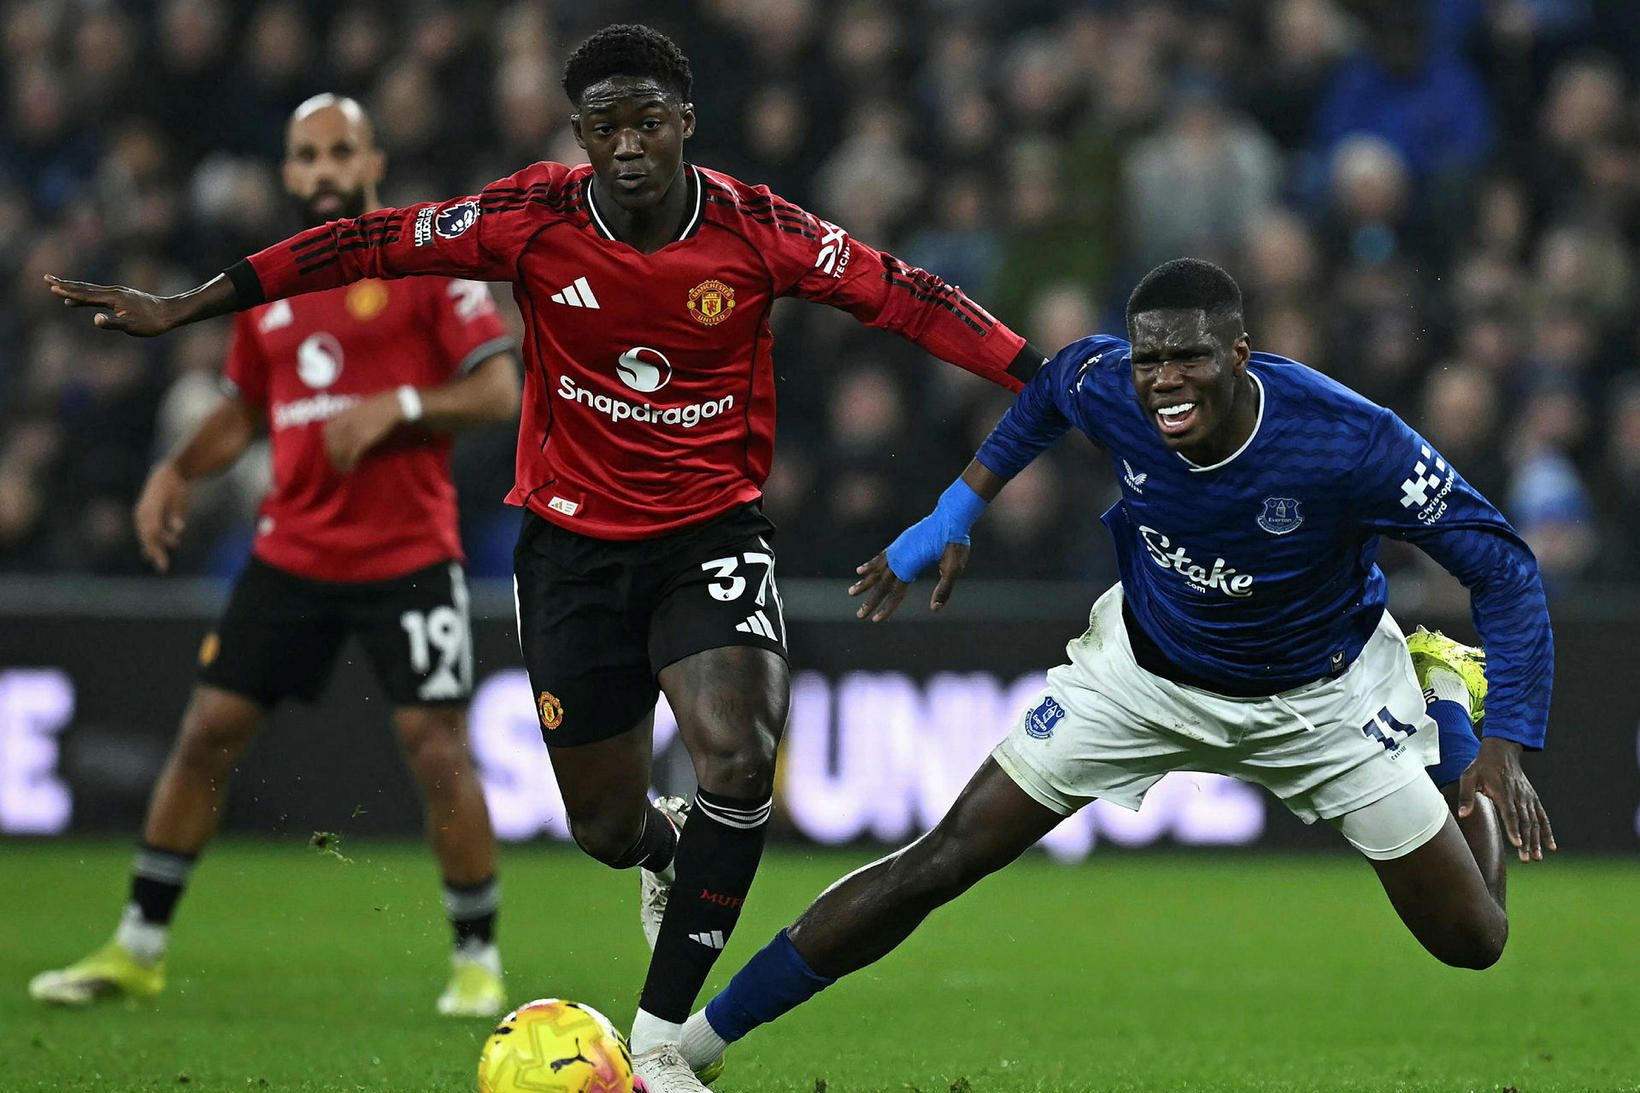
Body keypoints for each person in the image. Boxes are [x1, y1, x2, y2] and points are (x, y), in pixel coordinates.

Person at [41, 26, 1044, 1090]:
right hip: (570, 552)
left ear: (686, 123)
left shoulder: (758, 229)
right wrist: (189, 304)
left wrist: (1040, 376)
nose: (628, 145)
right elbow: (365, 242)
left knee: (739, 758)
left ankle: (660, 1042)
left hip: (708, 533)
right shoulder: (529, 218)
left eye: (647, 122)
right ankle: (663, 853)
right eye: (605, 126)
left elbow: (905, 292)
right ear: (579, 133)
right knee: (604, 826)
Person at [665, 258, 1556, 1076]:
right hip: (1140, 678)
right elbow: (1052, 384)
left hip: (1325, 700)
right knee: (942, 858)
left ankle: (1446, 694)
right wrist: (957, 508)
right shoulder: (1111, 386)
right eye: (1150, 359)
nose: (1165, 380)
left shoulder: (1351, 440)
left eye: (1190, 357)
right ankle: (689, 1045)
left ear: (1240, 354)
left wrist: (1504, 743)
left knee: (1474, 938)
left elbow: (1504, 568)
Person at [29, 95, 521, 1018]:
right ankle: (137, 947)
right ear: (290, 172)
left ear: (373, 161)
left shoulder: (427, 263)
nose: (326, 169)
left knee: (436, 746)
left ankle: (476, 956)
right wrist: (177, 469)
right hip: (293, 551)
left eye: (342, 151)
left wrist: (402, 406)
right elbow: (245, 412)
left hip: (409, 553)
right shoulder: (271, 284)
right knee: (207, 730)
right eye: (309, 155)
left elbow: (500, 391)